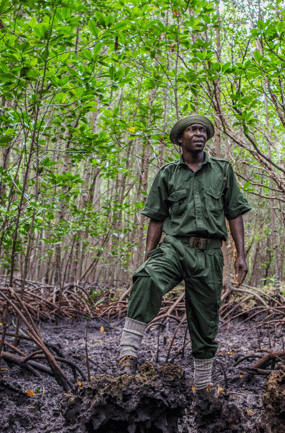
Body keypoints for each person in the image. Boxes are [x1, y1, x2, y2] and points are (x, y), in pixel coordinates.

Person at [117, 114, 251, 391]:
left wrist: (241, 255)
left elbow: (235, 212)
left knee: (205, 320)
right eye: (193, 130)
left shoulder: (223, 170)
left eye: (203, 130)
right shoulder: (167, 173)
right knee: (146, 278)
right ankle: (127, 354)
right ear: (181, 139)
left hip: (210, 253)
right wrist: (149, 257)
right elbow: (156, 217)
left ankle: (203, 387)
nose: (200, 134)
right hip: (175, 246)